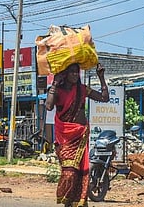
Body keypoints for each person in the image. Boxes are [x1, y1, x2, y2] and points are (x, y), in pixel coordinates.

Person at [45, 63, 109, 207]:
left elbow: (104, 98)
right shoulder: (57, 91)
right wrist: (54, 83)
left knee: (80, 172)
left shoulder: (82, 89)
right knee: (69, 172)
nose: (75, 75)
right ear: (65, 74)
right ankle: (67, 201)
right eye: (72, 72)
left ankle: (75, 203)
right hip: (65, 137)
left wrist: (101, 77)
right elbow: (49, 106)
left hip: (80, 135)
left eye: (77, 72)